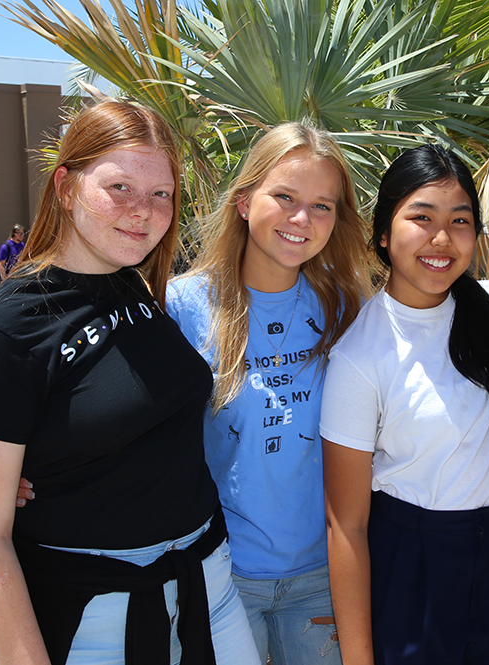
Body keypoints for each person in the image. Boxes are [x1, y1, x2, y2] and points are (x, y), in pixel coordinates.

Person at [0, 100, 260, 665]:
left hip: (208, 591)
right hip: (94, 620)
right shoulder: (3, 331)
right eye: (119, 187)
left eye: (161, 193)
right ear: (65, 186)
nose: (144, 211)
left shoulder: (129, 284)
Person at [320, 145, 489, 665]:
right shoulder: (359, 356)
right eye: (421, 217)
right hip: (411, 565)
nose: (441, 238)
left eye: (460, 220)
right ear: (384, 233)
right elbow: (346, 525)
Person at [164, 121, 371, 665]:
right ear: (243, 201)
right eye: (284, 196)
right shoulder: (179, 307)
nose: (302, 219)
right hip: (219, 580)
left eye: (323, 206)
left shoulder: (348, 310)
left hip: (323, 579)